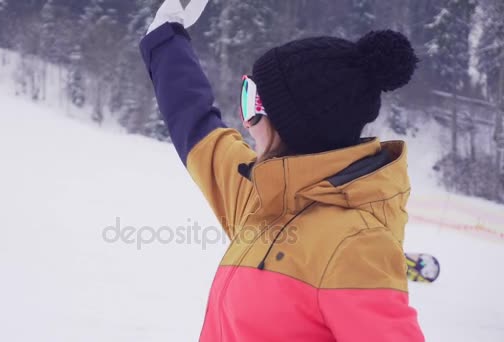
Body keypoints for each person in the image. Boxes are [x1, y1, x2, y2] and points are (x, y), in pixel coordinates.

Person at [140, 1, 424, 341]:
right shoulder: (262, 197)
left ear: (295, 126)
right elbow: (197, 124)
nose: (245, 121)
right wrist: (166, 42)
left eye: (252, 102)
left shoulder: (357, 245)